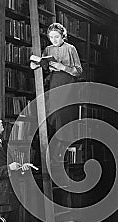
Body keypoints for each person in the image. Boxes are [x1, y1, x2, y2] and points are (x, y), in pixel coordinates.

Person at [31, 22, 82, 161]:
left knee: (62, 113)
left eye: (57, 37)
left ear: (63, 36)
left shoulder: (70, 49)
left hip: (67, 83)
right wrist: (37, 63)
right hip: (53, 83)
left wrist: (63, 67)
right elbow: (42, 64)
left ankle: (63, 148)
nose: (54, 40)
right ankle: (51, 150)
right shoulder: (48, 49)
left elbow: (78, 71)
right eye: (51, 37)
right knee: (52, 114)